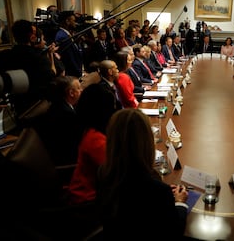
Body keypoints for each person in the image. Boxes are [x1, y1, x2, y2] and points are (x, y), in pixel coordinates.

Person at [97, 108, 189, 239]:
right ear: (147, 143)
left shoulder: (103, 172)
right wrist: (180, 202)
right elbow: (174, 231)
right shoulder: (158, 191)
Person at [68, 83, 117, 205]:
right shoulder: (96, 139)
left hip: (100, 192)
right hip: (89, 201)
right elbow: (117, 174)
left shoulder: (90, 128)